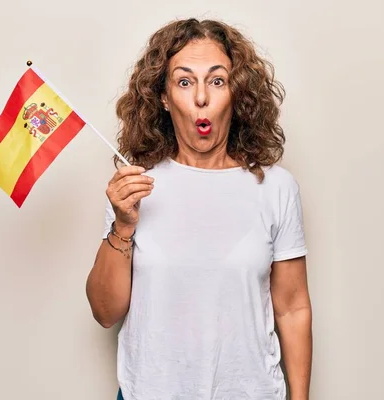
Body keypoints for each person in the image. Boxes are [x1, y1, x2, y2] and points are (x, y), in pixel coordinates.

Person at [85, 18, 312, 400]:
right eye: (185, 81)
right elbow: (105, 312)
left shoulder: (275, 187)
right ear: (163, 96)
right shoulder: (136, 185)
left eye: (217, 80)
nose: (202, 98)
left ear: (236, 94)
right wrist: (123, 226)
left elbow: (291, 308)